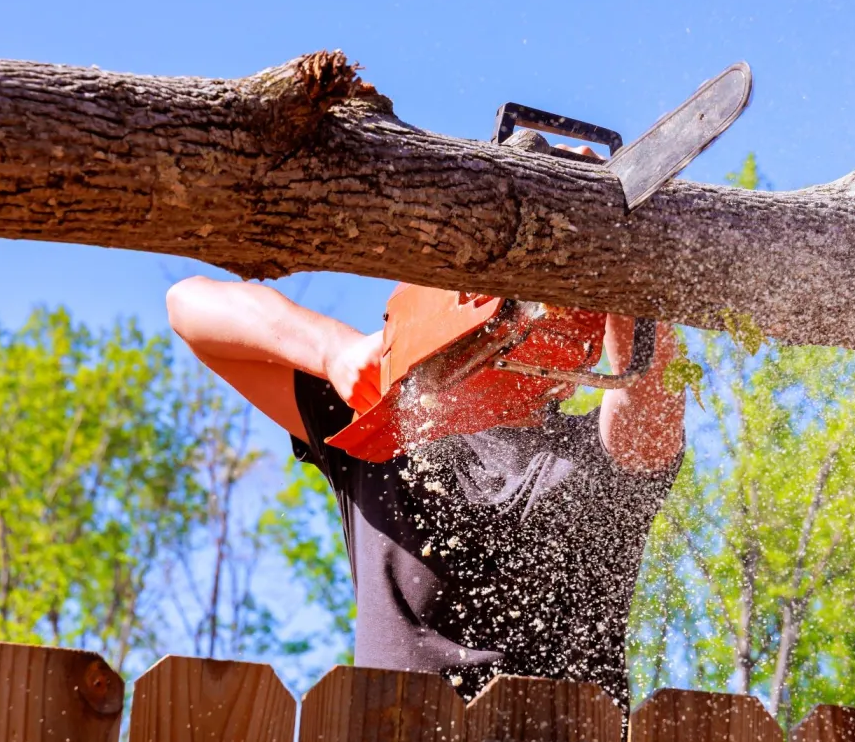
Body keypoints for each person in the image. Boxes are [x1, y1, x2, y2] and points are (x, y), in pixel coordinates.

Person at [167, 230, 683, 711]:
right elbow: (189, 305)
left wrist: (607, 233)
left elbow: (651, 386)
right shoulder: (383, 435)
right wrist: (334, 349)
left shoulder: (600, 457)